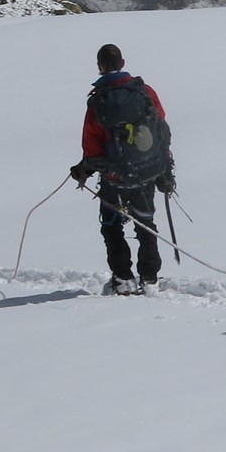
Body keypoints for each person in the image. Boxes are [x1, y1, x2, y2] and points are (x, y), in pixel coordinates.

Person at [70, 43, 174, 296]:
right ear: (123, 63)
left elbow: (91, 143)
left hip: (113, 176)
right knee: (145, 222)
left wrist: (85, 168)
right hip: (146, 171)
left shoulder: (98, 101)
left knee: (112, 225)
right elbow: (160, 126)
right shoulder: (144, 91)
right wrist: (163, 168)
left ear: (100, 67)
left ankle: (122, 278)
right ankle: (150, 278)